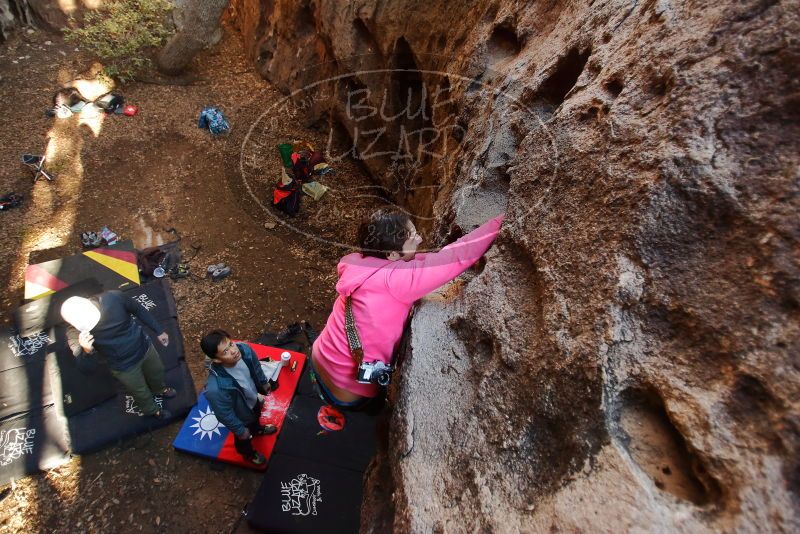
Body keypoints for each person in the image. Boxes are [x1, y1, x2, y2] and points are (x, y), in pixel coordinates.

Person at [311, 208, 504, 407]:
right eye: (413, 237)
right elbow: (455, 256)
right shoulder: (397, 280)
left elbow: (420, 261)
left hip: (322, 354)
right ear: (392, 254)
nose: (420, 239)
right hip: (346, 385)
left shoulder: (356, 262)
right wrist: (499, 222)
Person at [60, 291, 175, 419]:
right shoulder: (74, 333)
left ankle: (159, 389)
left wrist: (158, 330)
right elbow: (87, 369)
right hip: (124, 366)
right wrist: (87, 351)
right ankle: (153, 411)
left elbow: (137, 309)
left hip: (144, 346)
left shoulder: (113, 298)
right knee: (140, 391)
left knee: (157, 372)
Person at [200, 330, 277, 465]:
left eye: (231, 344)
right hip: (240, 414)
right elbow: (224, 414)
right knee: (244, 437)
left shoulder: (244, 350)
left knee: (255, 417)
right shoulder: (216, 388)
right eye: (225, 352)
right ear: (217, 359)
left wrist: (263, 382)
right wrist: (240, 430)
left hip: (252, 401)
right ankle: (248, 454)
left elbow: (256, 366)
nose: (233, 350)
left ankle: (257, 429)